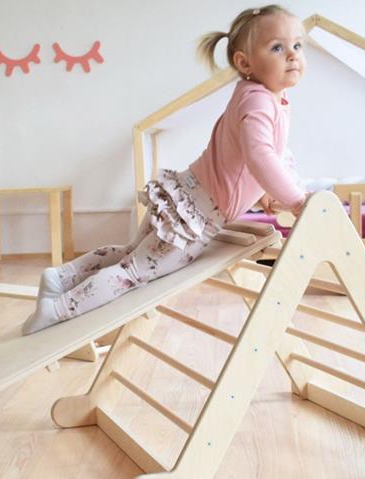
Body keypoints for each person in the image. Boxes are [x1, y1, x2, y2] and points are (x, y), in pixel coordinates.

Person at [22, 4, 308, 335]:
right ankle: (56, 309)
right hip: (198, 214)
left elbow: (267, 157)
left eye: (298, 46)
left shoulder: (263, 98)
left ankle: (62, 278)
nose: (292, 56)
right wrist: (297, 200)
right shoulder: (259, 102)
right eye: (277, 47)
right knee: (134, 271)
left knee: (129, 254)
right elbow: (259, 157)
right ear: (245, 62)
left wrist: (271, 195)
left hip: (187, 194)